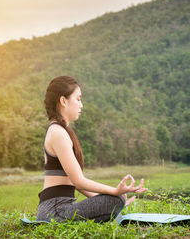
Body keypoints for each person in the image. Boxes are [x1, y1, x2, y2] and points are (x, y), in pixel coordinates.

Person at [37, 76, 147, 223]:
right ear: (63, 101)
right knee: (116, 200)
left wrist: (108, 200)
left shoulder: (62, 131)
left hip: (61, 208)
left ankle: (113, 211)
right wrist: (115, 192)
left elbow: (74, 182)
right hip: (55, 211)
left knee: (116, 203)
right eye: (78, 99)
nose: (81, 105)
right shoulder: (58, 133)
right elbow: (79, 181)